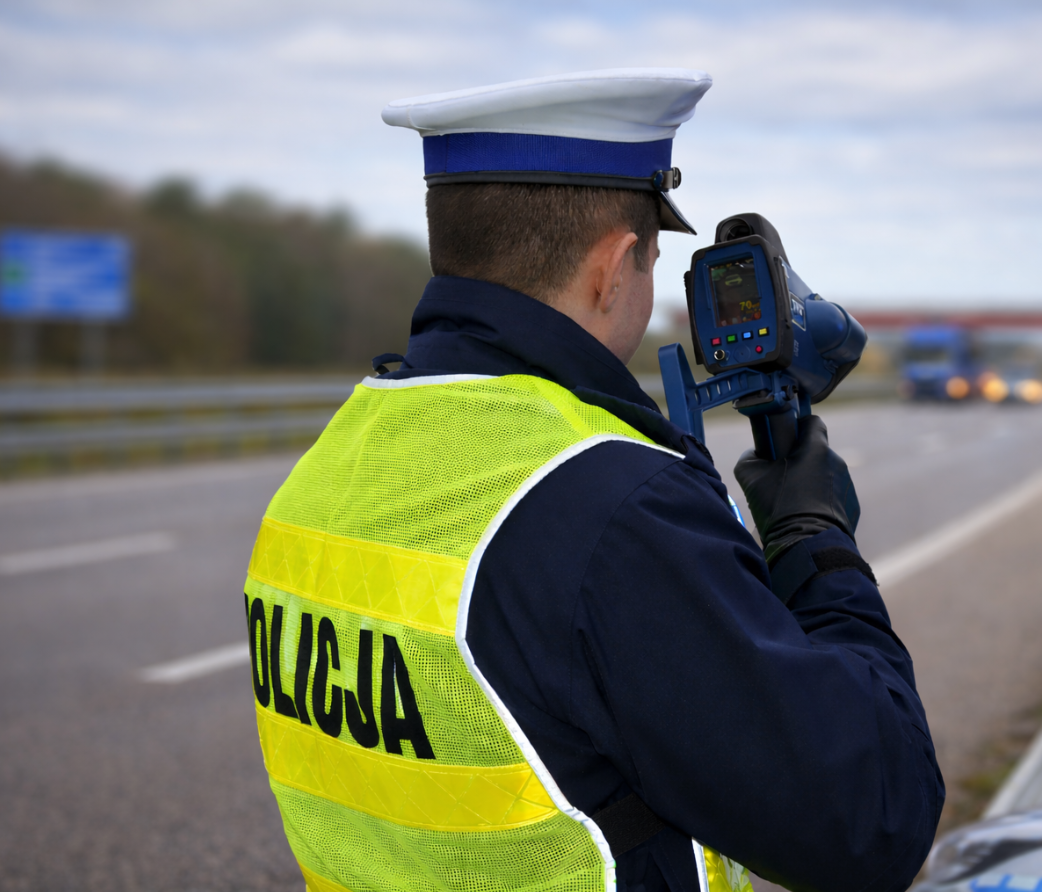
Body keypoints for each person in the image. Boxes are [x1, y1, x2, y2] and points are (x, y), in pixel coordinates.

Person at [243, 68, 943, 892]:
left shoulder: (332, 463)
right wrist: (815, 548)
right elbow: (870, 818)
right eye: (651, 260)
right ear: (614, 267)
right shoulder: (614, 507)